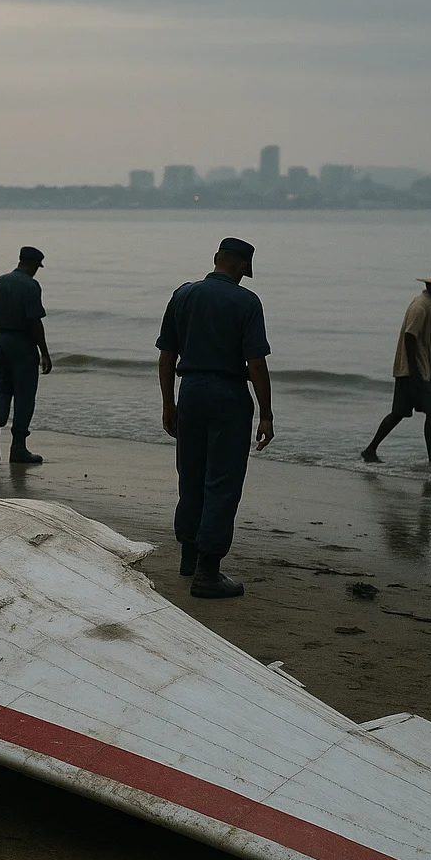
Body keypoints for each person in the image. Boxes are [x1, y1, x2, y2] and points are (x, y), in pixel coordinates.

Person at [156, 237, 274, 599]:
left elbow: (166, 356)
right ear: (241, 266)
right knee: (222, 481)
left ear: (216, 259)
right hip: (229, 397)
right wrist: (266, 414)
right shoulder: (247, 302)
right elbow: (255, 364)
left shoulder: (183, 295)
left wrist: (168, 404)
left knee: (190, 475)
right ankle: (208, 573)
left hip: (190, 392)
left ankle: (188, 556)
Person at [362, 269, 431, 465]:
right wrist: (414, 372)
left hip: (416, 369)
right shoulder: (421, 306)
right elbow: (410, 336)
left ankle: (370, 449)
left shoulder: (428, 305)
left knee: (399, 413)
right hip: (415, 370)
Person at [0, 246, 51, 463]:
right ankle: (18, 447)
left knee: (2, 391)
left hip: (2, 339)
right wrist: (45, 352)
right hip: (22, 344)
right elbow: (34, 321)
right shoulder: (31, 286)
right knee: (24, 396)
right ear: (33, 265)